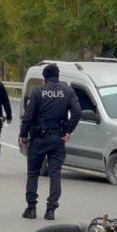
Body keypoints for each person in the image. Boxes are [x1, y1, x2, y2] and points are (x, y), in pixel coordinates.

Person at [19, 63, 81, 220]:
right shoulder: (68, 91)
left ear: (44, 77)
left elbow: (28, 115)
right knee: (55, 174)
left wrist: (23, 134)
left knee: (33, 173)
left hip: (39, 137)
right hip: (57, 138)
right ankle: (51, 210)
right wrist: (68, 130)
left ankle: (31, 208)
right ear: (58, 76)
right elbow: (77, 111)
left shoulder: (38, 91)